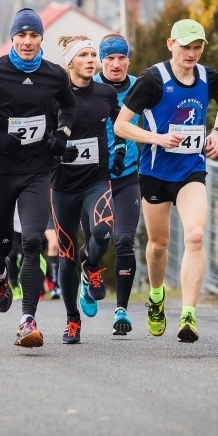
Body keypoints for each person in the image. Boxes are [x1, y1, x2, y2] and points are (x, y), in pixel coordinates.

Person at [0, 7, 76, 347]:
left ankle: (27, 320)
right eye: (21, 35)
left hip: (37, 169)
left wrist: (62, 133)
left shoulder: (54, 75)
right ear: (12, 38)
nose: (27, 42)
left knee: (33, 241)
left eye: (34, 35)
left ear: (41, 38)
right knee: (4, 244)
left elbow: (69, 106)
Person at [113, 19, 218, 343]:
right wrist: (157, 138)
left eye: (197, 47)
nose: (191, 53)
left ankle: (189, 315)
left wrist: (217, 133)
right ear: (171, 45)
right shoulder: (152, 80)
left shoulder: (208, 78)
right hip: (154, 172)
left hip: (191, 170)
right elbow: (121, 126)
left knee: (195, 236)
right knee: (158, 245)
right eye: (185, 47)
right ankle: (156, 296)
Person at [51, 35, 122, 344]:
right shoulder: (54, 97)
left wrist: (119, 149)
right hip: (63, 186)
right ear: (70, 63)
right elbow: (41, 133)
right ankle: (72, 320)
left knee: (104, 231)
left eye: (95, 54)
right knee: (66, 257)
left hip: (96, 179)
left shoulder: (106, 93)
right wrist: (55, 150)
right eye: (85, 55)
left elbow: (122, 123)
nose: (92, 60)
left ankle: (91, 266)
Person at [82, 33, 142, 335]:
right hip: (94, 178)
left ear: (128, 60)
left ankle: (121, 311)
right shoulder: (92, 88)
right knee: (100, 235)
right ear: (101, 61)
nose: (116, 64)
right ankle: (88, 267)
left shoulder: (138, 87)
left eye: (121, 58)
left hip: (128, 175)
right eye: (109, 59)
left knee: (125, 239)